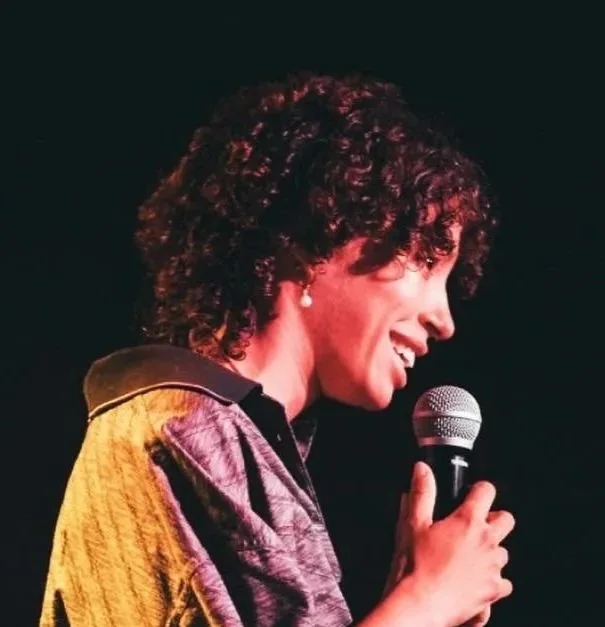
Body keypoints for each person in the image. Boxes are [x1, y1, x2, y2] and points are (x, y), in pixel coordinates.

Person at [40, 73, 513, 627]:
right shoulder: (182, 431)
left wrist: (415, 595)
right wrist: (425, 603)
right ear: (317, 238)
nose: (445, 320)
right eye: (426, 262)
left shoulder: (233, 441)